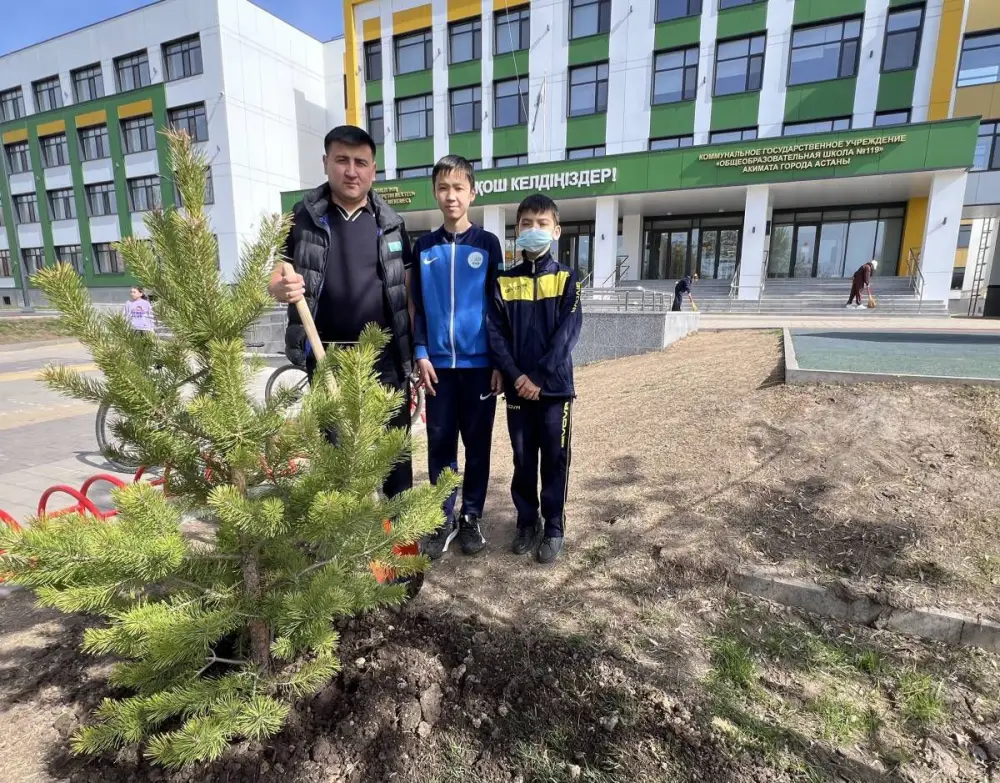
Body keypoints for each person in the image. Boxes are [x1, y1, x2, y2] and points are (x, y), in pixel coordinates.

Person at [268, 125, 414, 500]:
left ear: (373, 170)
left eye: (360, 162)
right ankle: (345, 533)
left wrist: (412, 352)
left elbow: (407, 291)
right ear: (326, 163)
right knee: (337, 458)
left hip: (385, 358)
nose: (351, 171)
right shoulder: (301, 218)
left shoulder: (391, 222)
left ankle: (402, 530)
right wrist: (280, 289)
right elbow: (276, 277)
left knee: (394, 455)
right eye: (342, 160)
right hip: (327, 356)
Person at [412, 155, 505, 559]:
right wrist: (420, 352)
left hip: (480, 367)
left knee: (477, 446)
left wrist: (499, 361)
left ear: (473, 192)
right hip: (437, 369)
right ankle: (442, 517)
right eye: (443, 188)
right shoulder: (423, 247)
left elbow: (498, 307)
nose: (451, 196)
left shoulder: (488, 244)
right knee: (440, 445)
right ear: (435, 193)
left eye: (459, 188)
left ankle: (471, 517)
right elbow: (417, 306)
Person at [487, 194, 582, 565]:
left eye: (542, 224)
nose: (534, 229)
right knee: (523, 460)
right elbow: (495, 333)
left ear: (556, 231)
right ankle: (527, 522)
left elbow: (568, 332)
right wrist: (515, 376)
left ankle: (554, 525)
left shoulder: (568, 278)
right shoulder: (503, 281)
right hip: (516, 391)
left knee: (555, 460)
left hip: (555, 390)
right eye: (527, 223)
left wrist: (539, 376)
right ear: (516, 229)